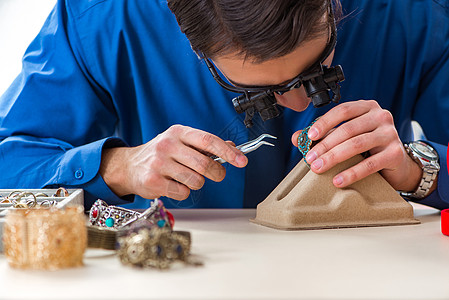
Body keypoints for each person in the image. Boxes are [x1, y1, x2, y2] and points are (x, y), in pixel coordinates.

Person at [0, 0, 447, 210]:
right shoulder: (101, 18)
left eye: (316, 76)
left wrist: (419, 170)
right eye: (254, 94)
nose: (298, 104)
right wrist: (118, 167)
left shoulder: (417, 11)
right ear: (192, 44)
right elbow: (10, 160)